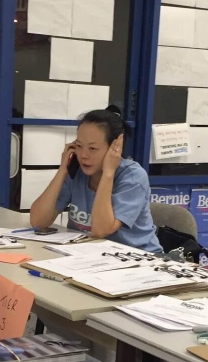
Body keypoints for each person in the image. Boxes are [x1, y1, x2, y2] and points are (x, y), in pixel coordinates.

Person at [29, 105, 162, 252]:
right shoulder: (76, 172)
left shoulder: (133, 177)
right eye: (79, 146)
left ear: (115, 148)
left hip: (139, 258)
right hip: (91, 256)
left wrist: (108, 173)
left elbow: (100, 231)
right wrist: (62, 171)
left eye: (92, 148)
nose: (83, 155)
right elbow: (38, 222)